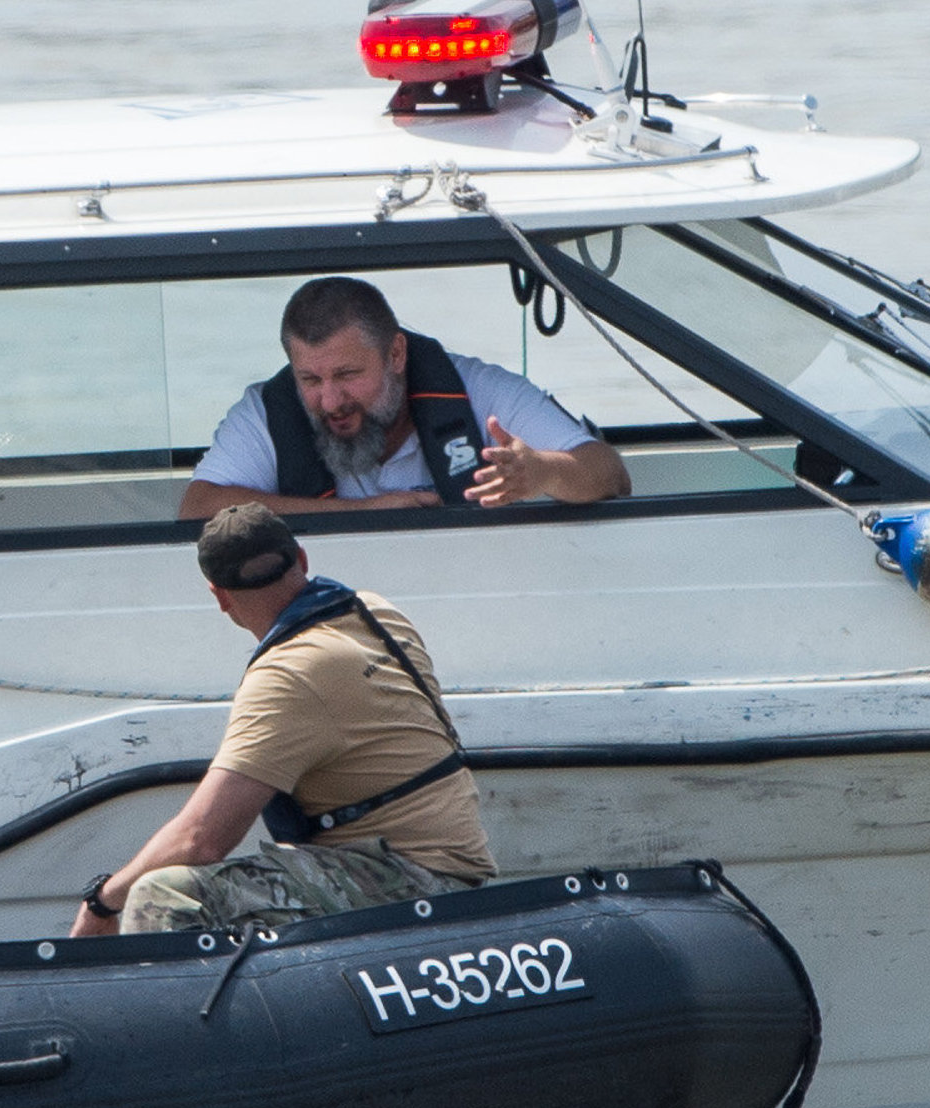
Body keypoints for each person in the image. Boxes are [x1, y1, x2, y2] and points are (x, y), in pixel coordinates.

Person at [71, 504, 498, 936]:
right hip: (455, 864)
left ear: (219, 596)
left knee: (164, 893)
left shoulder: (289, 674)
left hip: (410, 881)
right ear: (302, 559)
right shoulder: (373, 611)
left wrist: (101, 902)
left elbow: (200, 840)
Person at [175, 274, 630, 520]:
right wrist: (357, 514)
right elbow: (198, 510)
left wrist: (540, 473)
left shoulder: (476, 389)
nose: (331, 401)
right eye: (311, 380)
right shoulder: (266, 412)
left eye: (348, 374)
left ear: (395, 354)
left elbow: (608, 474)